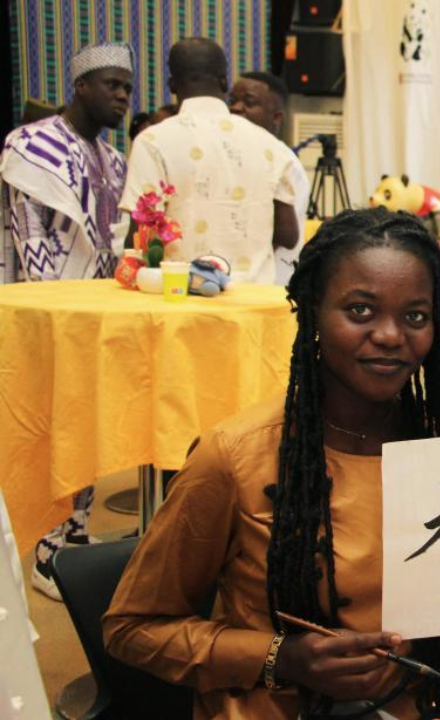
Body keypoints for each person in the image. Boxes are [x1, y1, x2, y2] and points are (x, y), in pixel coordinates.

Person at [103, 207, 440, 719]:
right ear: (312, 311)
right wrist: (281, 658)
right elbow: (132, 629)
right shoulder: (236, 458)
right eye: (360, 311)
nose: (392, 335)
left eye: (415, 316)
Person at [0, 42, 134, 599]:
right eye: (112, 86)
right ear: (80, 86)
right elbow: (26, 234)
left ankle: (75, 534)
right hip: (43, 316)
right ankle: (44, 553)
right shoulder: (31, 146)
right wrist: (56, 313)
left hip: (91, 315)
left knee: (82, 427)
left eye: (128, 88)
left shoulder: (113, 158)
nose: (123, 97)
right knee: (45, 431)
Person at [121, 38, 299, 284]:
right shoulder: (270, 145)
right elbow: (287, 234)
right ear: (225, 82)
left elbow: (140, 237)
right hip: (253, 302)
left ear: (172, 85)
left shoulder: (152, 141)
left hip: (183, 298)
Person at [229, 70, 312, 286]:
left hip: (270, 286)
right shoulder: (232, 155)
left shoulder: (285, 163)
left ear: (276, 118)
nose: (236, 108)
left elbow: (282, 236)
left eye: (249, 102)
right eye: (232, 100)